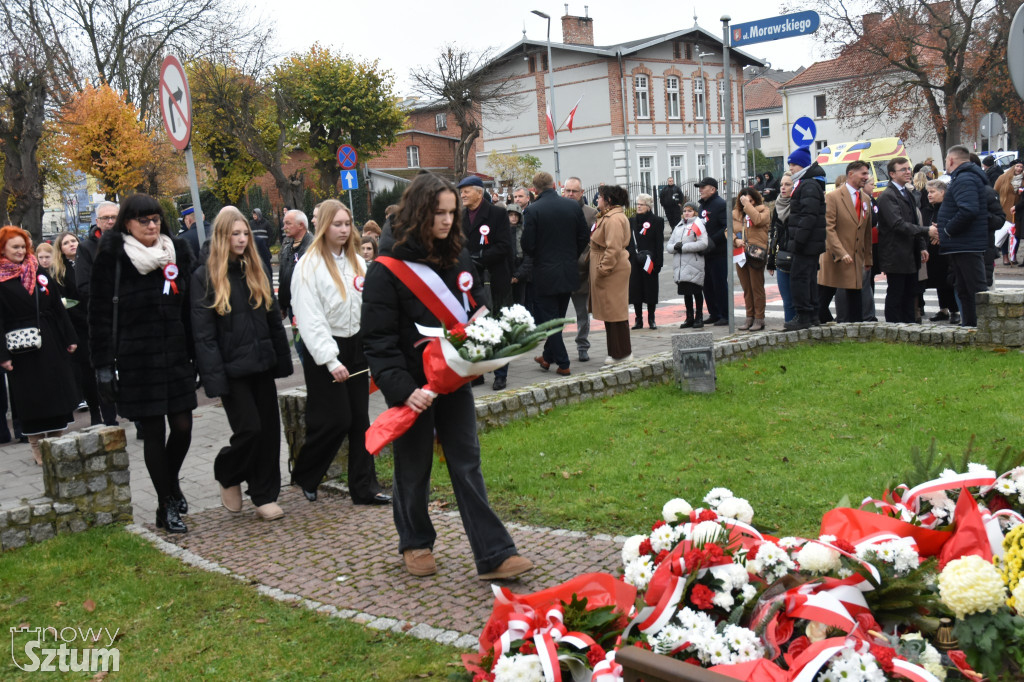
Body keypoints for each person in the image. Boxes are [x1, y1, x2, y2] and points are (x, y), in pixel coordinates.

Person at [361, 172, 533, 580]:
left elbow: (472, 303)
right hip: (413, 386)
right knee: (414, 465)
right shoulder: (385, 270)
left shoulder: (458, 253)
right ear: (419, 212)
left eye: (451, 213)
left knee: (466, 462)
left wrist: (489, 332)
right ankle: (415, 542)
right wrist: (404, 391)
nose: (446, 220)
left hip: (454, 379)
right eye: (438, 213)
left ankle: (494, 554)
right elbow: (379, 343)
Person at [88, 194, 197, 534]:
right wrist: (103, 366)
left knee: (183, 427)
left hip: (175, 354)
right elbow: (99, 315)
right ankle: (165, 506)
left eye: (155, 219)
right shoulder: (114, 256)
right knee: (153, 432)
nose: (152, 226)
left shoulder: (176, 250)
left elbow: (191, 306)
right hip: (137, 359)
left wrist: (197, 353)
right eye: (143, 220)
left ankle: (171, 483)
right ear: (127, 224)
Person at [192, 207, 293, 521]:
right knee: (249, 430)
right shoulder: (205, 276)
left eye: (245, 233)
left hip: (261, 363)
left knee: (268, 433)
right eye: (235, 233)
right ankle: (227, 471)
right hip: (232, 369)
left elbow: (273, 318)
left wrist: (281, 361)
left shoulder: (256, 268)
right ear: (222, 236)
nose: (241, 238)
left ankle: (263, 495)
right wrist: (214, 380)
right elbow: (204, 335)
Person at [290, 199, 388, 506]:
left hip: (356, 343)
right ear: (323, 226)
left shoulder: (358, 261)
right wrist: (330, 359)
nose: (344, 230)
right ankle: (306, 473)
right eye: (338, 224)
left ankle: (364, 488)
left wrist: (372, 343)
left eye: (348, 224)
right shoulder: (308, 266)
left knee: (360, 420)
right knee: (335, 419)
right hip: (325, 348)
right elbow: (310, 316)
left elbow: (368, 303)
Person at [0, 226, 78, 465]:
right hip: (21, 347)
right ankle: (36, 445)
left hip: (50, 339)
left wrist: (70, 337)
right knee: (31, 397)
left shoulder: (38, 272)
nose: (21, 251)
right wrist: (3, 355)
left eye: (23, 246)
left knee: (56, 391)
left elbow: (57, 307)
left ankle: (56, 440)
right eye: (15, 247)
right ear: (3, 249)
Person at [522, 171, 589, 376]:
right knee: (558, 317)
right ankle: (547, 357)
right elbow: (583, 236)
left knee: (550, 322)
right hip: (568, 271)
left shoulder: (533, 210)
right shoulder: (571, 206)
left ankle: (563, 362)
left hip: (544, 272)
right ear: (554, 185)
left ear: (534, 190)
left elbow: (527, 244)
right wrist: (571, 255)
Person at [457, 176, 513, 391]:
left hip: (494, 279)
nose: (462, 195)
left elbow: (504, 246)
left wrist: (479, 257)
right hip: (469, 281)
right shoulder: (460, 216)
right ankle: (477, 372)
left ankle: (500, 373)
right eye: (461, 191)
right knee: (475, 326)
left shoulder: (497, 214)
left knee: (498, 326)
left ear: (479, 193)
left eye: (466, 191)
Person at [929, 145, 990, 327]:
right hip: (962, 243)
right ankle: (969, 327)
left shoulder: (965, 179)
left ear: (951, 160)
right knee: (964, 290)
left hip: (966, 244)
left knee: (974, 290)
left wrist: (947, 230)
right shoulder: (964, 178)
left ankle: (981, 328)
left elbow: (968, 210)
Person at [75, 203, 119, 427]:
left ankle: (141, 419)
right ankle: (109, 420)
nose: (110, 221)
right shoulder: (86, 248)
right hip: (102, 317)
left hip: (128, 316)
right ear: (97, 220)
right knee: (105, 370)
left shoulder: (130, 242)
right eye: (106, 218)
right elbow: (83, 285)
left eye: (114, 217)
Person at [818, 160, 873, 323]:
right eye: (863, 173)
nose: (866, 177)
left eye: (867, 174)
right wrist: (841, 252)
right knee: (822, 299)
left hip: (855, 258)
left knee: (855, 300)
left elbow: (866, 232)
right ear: (851, 174)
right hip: (834, 257)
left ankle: (856, 332)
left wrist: (868, 258)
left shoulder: (865, 199)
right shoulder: (833, 197)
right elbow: (829, 228)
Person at [877, 157, 930, 323]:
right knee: (896, 293)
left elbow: (914, 220)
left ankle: (909, 327)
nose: (908, 172)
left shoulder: (907, 192)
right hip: (896, 253)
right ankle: (893, 328)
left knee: (910, 293)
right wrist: (927, 231)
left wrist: (921, 245)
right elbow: (898, 224)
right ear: (892, 174)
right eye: (903, 169)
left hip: (910, 252)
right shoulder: (887, 196)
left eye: (909, 168)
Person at [783, 147, 827, 331]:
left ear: (801, 164)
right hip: (811, 242)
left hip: (806, 242)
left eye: (793, 164)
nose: (791, 168)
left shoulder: (808, 185)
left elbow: (808, 216)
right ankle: (812, 314)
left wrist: (798, 240)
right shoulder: (810, 182)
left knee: (799, 278)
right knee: (808, 278)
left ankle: (804, 315)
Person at [591, 184, 633, 364]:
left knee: (615, 312)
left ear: (608, 200)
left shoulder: (614, 219)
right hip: (610, 268)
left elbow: (613, 248)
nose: (597, 199)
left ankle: (622, 353)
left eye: (600, 197)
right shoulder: (610, 216)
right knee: (611, 312)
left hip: (612, 270)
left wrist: (602, 269)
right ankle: (616, 352)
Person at [562, 177, 597, 362]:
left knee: (582, 314)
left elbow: (594, 243)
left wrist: (583, 261)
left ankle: (582, 346)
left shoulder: (591, 214)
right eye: (567, 191)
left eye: (574, 191)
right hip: (560, 272)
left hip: (581, 273)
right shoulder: (558, 211)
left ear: (581, 192)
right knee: (557, 315)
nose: (570, 194)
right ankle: (554, 349)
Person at [731, 188, 770, 331]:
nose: (746, 203)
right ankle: (750, 317)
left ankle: (759, 319)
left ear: (755, 200)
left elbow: (758, 220)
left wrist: (748, 206)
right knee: (747, 288)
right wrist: (735, 240)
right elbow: (727, 230)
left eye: (750, 200)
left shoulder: (763, 210)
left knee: (756, 288)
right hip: (740, 254)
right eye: (743, 200)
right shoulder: (735, 214)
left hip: (756, 254)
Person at [278, 209, 313, 365]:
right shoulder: (287, 244)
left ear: (301, 225)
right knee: (299, 345)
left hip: (307, 307)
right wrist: (282, 304)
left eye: (288, 223)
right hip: (293, 308)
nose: (284, 227)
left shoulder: (312, 246)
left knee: (310, 345)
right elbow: (283, 275)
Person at [923, 180, 960, 324]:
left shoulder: (948, 207)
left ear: (942, 192)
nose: (929, 195)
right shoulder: (928, 208)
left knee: (948, 281)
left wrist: (940, 233)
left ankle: (954, 310)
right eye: (928, 192)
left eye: (932, 192)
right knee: (938, 281)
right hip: (933, 250)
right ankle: (943, 309)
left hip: (947, 250)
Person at [668, 202, 709, 328]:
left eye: (690, 211)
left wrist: (684, 247)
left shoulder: (697, 225)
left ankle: (699, 317)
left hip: (693, 264)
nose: (686, 213)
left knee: (696, 291)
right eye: (685, 211)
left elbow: (703, 243)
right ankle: (689, 317)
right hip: (681, 266)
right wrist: (675, 247)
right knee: (686, 293)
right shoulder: (678, 226)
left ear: (695, 213)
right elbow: (669, 245)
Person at [694, 177, 729, 326]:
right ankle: (714, 313)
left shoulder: (720, 204)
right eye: (700, 187)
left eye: (703, 187)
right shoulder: (702, 206)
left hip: (718, 251)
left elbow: (726, 227)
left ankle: (725, 314)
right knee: (707, 285)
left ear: (713, 189)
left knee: (719, 284)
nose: (700, 190)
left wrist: (711, 241)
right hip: (705, 252)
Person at [629, 193, 665, 329]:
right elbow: (629, 241)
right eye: (637, 204)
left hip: (650, 261)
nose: (638, 206)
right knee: (636, 290)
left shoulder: (657, 221)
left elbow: (659, 244)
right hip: (635, 260)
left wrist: (658, 263)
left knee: (650, 290)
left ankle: (651, 319)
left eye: (641, 204)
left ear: (648, 206)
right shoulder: (631, 221)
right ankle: (638, 319)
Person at [767, 174, 796, 324]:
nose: (783, 188)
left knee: (798, 298)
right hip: (782, 257)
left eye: (788, 184)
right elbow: (774, 234)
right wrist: (771, 260)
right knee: (787, 300)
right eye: (782, 184)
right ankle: (788, 327)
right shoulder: (778, 205)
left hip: (797, 256)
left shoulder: (798, 204)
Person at [993, 159, 1023, 265]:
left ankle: (1013, 256)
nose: (1019, 169)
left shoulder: (1023, 179)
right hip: (1005, 208)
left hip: (1019, 210)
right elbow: (995, 191)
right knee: (1005, 233)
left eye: (1021, 167)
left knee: (1017, 234)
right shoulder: (1003, 178)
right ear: (1012, 167)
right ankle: (1005, 256)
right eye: (1017, 166)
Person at [506, 203, 531, 308]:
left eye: (516, 215)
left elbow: (529, 255)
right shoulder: (502, 232)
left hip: (521, 273)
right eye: (511, 215)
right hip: (506, 272)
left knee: (521, 304)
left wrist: (518, 274)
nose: (513, 217)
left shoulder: (524, 232)